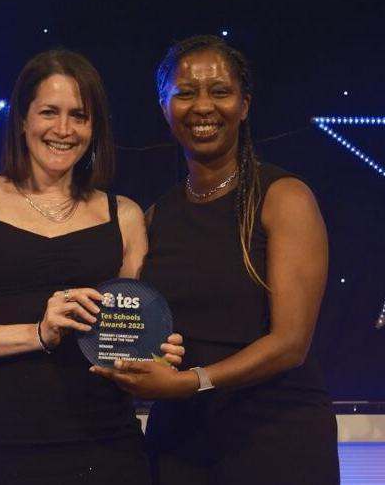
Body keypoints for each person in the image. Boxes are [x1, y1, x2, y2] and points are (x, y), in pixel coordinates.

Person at [0, 49, 183, 485]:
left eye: (79, 116)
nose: (63, 129)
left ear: (94, 129)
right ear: (22, 120)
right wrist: (39, 333)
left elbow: (128, 339)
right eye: (49, 113)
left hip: (108, 451)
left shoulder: (125, 215)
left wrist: (154, 354)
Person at [92, 35, 340, 484]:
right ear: (164, 108)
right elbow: (136, 326)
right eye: (185, 93)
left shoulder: (283, 198)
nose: (203, 106)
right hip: (180, 440)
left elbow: (291, 343)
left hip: (275, 437)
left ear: (244, 106)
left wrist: (189, 382)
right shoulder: (156, 216)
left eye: (220, 91)